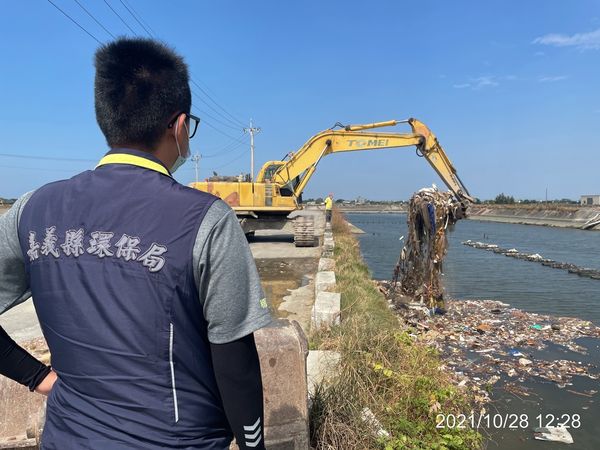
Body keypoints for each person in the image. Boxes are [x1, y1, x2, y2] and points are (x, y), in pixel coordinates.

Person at [0, 38, 271, 450]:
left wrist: (38, 378)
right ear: (180, 127)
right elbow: (236, 367)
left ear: (106, 119)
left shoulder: (30, 210)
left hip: (66, 438)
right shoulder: (207, 220)